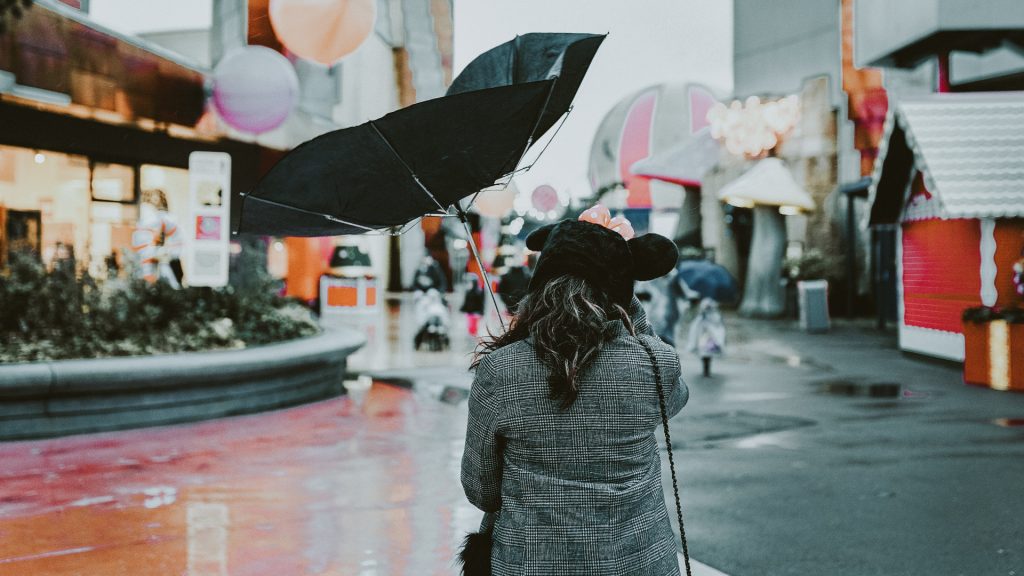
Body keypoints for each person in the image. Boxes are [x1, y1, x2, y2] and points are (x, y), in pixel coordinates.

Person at [461, 209, 688, 575]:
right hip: (639, 562)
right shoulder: (655, 362)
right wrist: (629, 306)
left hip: (532, 563)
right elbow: (675, 399)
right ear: (620, 293)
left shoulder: (500, 370)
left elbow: (481, 490)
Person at [686, 298, 726, 377]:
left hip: (710, 337)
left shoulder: (713, 315)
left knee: (707, 354)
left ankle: (706, 370)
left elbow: (718, 326)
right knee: (705, 354)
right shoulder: (702, 316)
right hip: (704, 337)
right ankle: (706, 370)